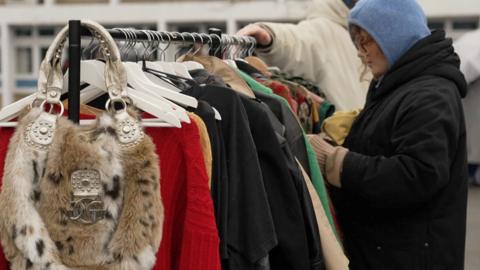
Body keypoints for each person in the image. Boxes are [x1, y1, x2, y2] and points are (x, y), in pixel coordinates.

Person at [308, 0, 468, 269]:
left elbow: (417, 175)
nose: (361, 53)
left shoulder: (430, 95)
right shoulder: (397, 83)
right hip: (390, 250)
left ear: (393, 35)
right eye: (357, 43)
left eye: (366, 41)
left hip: (410, 257)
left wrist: (338, 162)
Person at [237, 0, 369, 111]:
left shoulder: (372, 30)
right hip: (343, 138)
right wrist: (272, 38)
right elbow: (299, 41)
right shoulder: (324, 29)